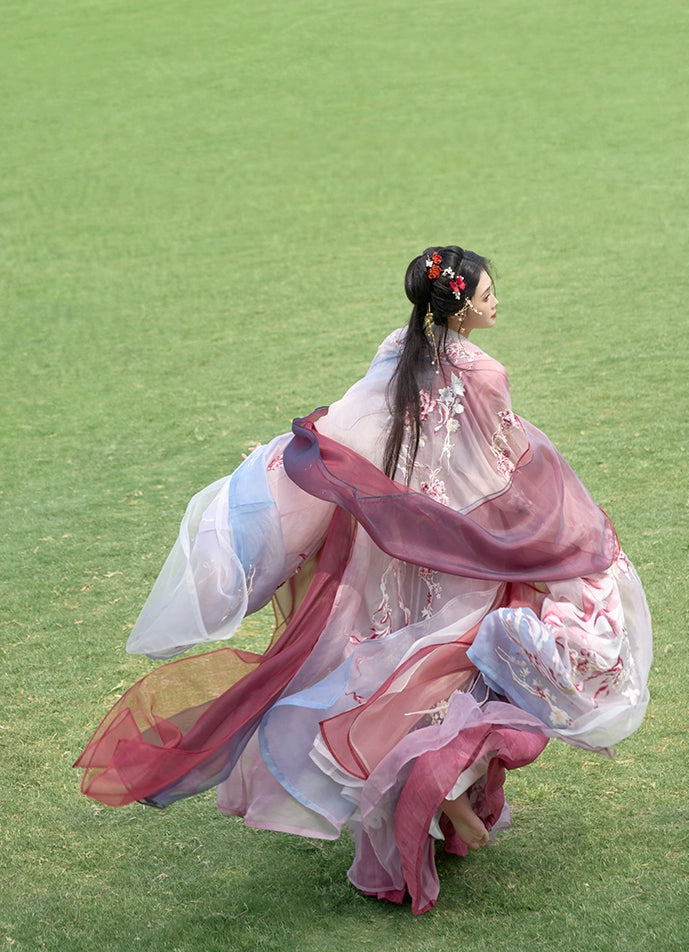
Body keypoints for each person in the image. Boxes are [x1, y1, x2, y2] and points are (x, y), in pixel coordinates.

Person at [75, 246, 652, 914]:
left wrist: (300, 463)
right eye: (488, 293)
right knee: (457, 668)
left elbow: (351, 425)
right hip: (463, 548)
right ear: (459, 305)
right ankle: (438, 798)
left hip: (399, 550)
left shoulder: (395, 349)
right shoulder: (486, 373)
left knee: (407, 670)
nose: (497, 302)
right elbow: (502, 468)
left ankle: (444, 805)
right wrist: (545, 532)